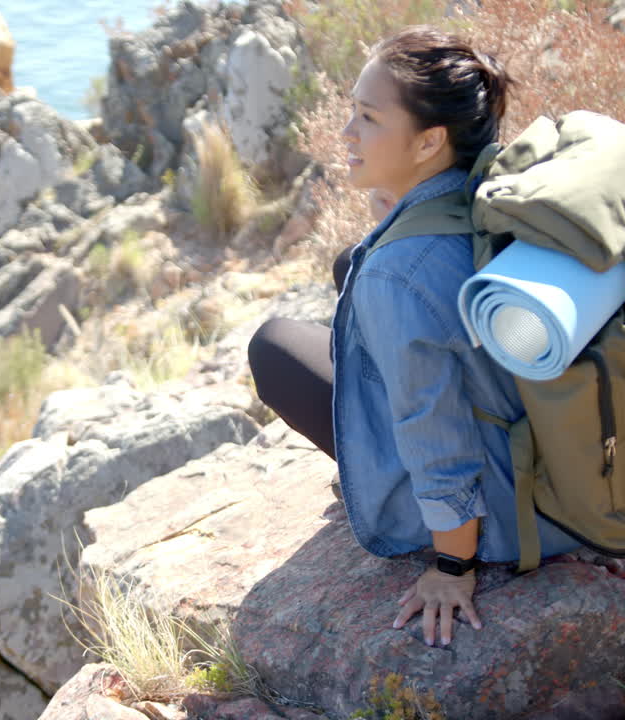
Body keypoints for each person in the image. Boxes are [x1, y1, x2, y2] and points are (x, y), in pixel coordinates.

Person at [248, 26, 581, 649]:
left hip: (515, 511)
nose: (347, 132)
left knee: (274, 348)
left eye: (368, 118)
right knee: (353, 263)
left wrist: (454, 563)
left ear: (430, 140)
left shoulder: (398, 278)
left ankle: (454, 536)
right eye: (351, 111)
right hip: (550, 455)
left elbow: (437, 430)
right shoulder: (488, 180)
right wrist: (393, 214)